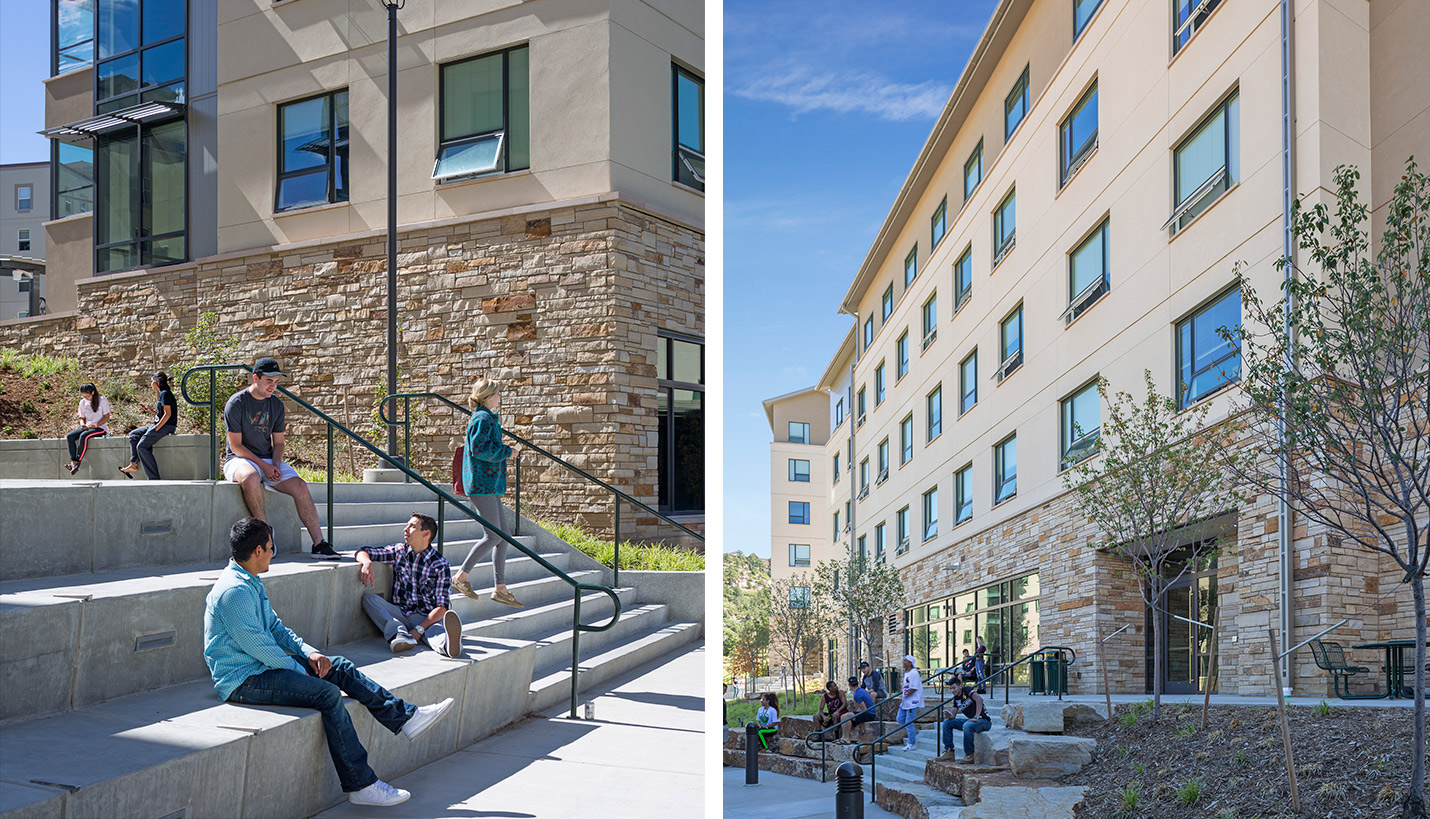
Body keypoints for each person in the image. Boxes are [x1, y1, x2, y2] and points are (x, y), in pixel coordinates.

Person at [204, 517, 454, 807]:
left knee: (339, 666)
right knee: (327, 692)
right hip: (243, 680)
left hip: (262, 666)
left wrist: (310, 654)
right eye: (272, 548)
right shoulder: (234, 591)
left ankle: (405, 717)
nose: (274, 552)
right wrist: (302, 671)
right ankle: (362, 785)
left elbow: (275, 629)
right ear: (258, 551)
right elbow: (259, 648)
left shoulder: (250, 581)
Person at [221, 357, 336, 559]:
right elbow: (236, 446)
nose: (273, 386)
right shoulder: (236, 403)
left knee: (300, 486)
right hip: (239, 459)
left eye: (276, 382)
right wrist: (263, 467)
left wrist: (274, 464)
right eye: (269, 381)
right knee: (250, 478)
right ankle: (265, 537)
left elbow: (279, 443)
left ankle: (319, 543)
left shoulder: (276, 404)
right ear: (255, 378)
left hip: (268, 459)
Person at [451, 378, 522, 607]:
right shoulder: (482, 418)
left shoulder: (487, 418)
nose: (500, 397)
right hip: (481, 485)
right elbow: (481, 450)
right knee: (493, 535)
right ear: (488, 395)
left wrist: (505, 451)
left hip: (488, 485)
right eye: (498, 393)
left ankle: (500, 588)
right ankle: (460, 576)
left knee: (504, 537)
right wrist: (507, 452)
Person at [357, 513, 462, 658]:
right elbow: (363, 551)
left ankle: (448, 645)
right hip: (398, 613)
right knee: (369, 600)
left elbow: (442, 607)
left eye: (412, 526)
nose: (405, 529)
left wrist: (419, 629)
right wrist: (367, 562)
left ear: (426, 534)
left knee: (434, 632)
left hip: (425, 617)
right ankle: (398, 634)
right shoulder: (399, 551)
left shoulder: (440, 564)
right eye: (407, 525)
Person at [119, 372, 179, 480]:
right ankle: (133, 463)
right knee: (133, 435)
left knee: (142, 446)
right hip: (160, 424)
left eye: (152, 381)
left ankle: (153, 478)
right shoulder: (163, 394)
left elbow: (168, 414)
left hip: (166, 426)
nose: (151, 383)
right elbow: (162, 414)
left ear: (158, 382)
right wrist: (151, 412)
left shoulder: (165, 394)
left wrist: (156, 428)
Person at [938, 675, 990, 764]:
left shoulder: (966, 690)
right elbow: (953, 716)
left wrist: (976, 716)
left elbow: (979, 699)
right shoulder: (956, 698)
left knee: (967, 725)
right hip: (972, 721)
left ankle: (969, 755)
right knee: (947, 723)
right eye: (950, 688)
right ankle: (949, 752)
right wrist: (949, 715)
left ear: (960, 686)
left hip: (984, 721)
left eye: (954, 688)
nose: (952, 691)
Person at [64, 383, 110, 475]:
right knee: (70, 436)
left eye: (87, 396)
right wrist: (82, 425)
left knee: (84, 436)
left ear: (92, 392)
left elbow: (106, 417)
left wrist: (96, 425)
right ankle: (73, 462)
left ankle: (78, 462)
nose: (85, 398)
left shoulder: (102, 400)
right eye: (83, 396)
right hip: (87, 427)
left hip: (99, 427)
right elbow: (82, 418)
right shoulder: (82, 402)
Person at [898, 655, 924, 751]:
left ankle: (911, 743)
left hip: (912, 701)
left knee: (908, 722)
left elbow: (913, 687)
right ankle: (913, 732)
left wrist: (906, 696)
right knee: (900, 718)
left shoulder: (914, 673)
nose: (903, 662)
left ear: (910, 663)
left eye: (905, 661)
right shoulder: (907, 673)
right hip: (905, 701)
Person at [845, 676, 877, 743]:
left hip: (869, 715)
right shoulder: (862, 690)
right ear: (858, 683)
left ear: (849, 685)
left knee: (845, 716)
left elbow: (864, 709)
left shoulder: (857, 694)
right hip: (870, 713)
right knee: (848, 715)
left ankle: (846, 738)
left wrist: (856, 712)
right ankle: (845, 737)